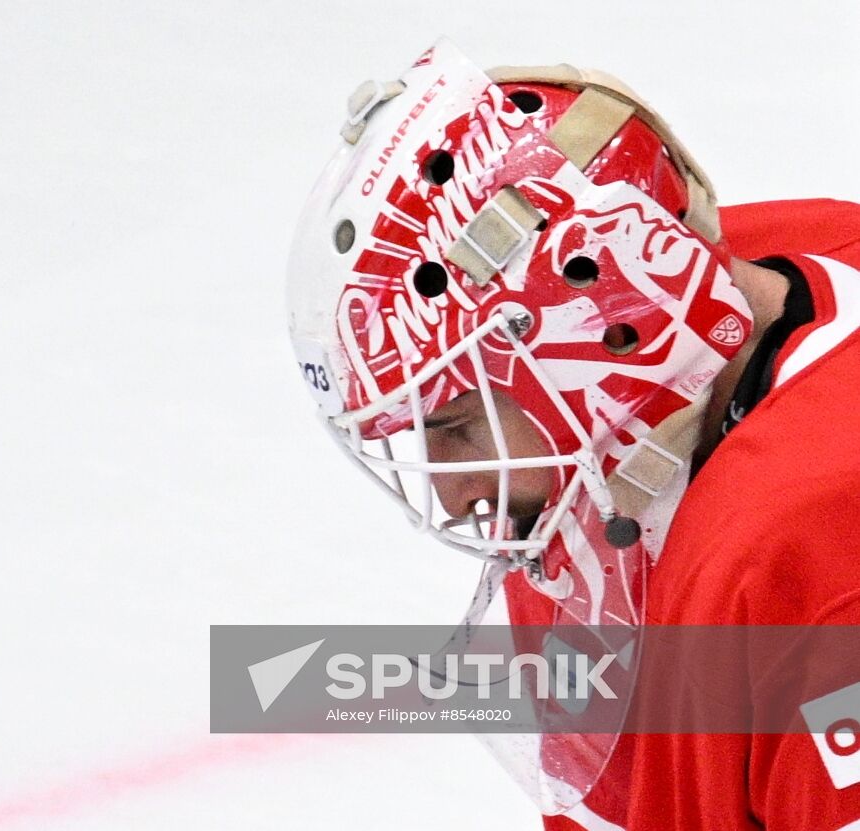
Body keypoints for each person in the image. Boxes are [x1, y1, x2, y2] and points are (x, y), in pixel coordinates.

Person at [286, 38, 860, 831]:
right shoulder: (628, 434)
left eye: (453, 424)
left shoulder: (811, 574)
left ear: (612, 325)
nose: (453, 492)